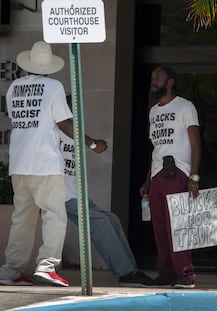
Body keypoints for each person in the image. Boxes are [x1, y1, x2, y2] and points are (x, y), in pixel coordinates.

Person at [0, 41, 106, 287]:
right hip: (45, 163)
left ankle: (10, 271)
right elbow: (65, 124)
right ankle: (47, 266)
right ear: (48, 66)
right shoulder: (53, 86)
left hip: (18, 163)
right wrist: (92, 144)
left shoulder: (14, 87)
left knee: (22, 218)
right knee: (54, 216)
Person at [60, 123, 153, 287]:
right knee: (101, 223)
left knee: (111, 219)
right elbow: (68, 128)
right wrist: (94, 144)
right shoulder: (54, 130)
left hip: (76, 194)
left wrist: (96, 144)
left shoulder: (74, 134)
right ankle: (126, 272)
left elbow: (83, 139)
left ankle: (131, 270)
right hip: (62, 195)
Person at [139, 66, 201, 289]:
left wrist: (194, 175)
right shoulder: (153, 111)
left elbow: (195, 142)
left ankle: (186, 274)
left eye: (158, 77)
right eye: (152, 77)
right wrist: (147, 181)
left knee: (178, 225)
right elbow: (157, 148)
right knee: (160, 227)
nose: (153, 80)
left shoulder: (185, 106)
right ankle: (166, 273)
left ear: (170, 82)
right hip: (157, 174)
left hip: (179, 171)